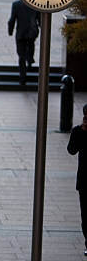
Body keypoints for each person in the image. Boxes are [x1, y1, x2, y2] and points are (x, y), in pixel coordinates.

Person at [68, 104, 87, 257]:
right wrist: (82, 132)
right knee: (86, 217)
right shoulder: (78, 131)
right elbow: (71, 150)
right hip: (85, 182)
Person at [8, 0, 39, 85]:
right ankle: (30, 61)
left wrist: (10, 31)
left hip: (21, 32)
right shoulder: (35, 4)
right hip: (32, 30)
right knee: (31, 46)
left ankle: (22, 76)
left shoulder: (16, 4)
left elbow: (12, 19)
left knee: (21, 55)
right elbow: (39, 18)